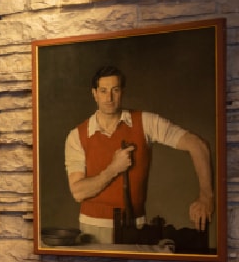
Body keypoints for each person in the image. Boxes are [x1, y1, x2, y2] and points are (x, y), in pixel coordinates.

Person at [64, 65, 213, 244]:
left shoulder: (145, 123)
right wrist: (113, 169)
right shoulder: (77, 135)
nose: (109, 98)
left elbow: (198, 145)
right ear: (94, 93)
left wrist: (206, 197)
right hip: (92, 230)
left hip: (137, 229)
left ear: (123, 92)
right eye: (103, 91)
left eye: (115, 90)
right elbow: (78, 192)